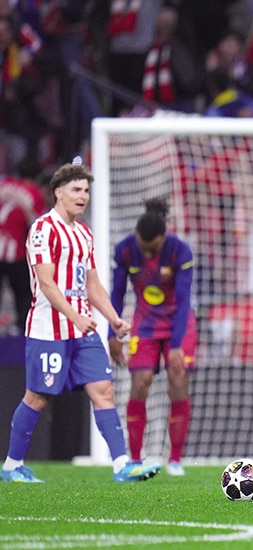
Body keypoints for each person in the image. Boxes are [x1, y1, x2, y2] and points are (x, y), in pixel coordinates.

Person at [1, 160, 160, 483]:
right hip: (50, 329)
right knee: (38, 396)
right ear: (58, 193)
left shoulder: (84, 234)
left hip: (82, 329)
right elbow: (46, 283)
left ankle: (121, 465)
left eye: (86, 190)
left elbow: (92, 285)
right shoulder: (43, 230)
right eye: (76, 190)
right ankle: (11, 465)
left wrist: (113, 319)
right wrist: (75, 315)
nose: (83, 196)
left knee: (103, 390)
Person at [108, 198, 197, 477]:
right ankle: (135, 459)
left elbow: (183, 302)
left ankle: (175, 459)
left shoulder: (180, 251)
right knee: (140, 382)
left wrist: (176, 345)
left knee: (177, 381)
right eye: (143, 248)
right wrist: (112, 333)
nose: (147, 254)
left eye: (153, 249)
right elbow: (118, 293)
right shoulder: (124, 250)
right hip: (145, 324)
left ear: (163, 238)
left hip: (178, 324)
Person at [0, 157, 45, 333]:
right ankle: (22, 330)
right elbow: (36, 224)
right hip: (15, 250)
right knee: (23, 293)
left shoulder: (4, 184)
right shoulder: (33, 193)